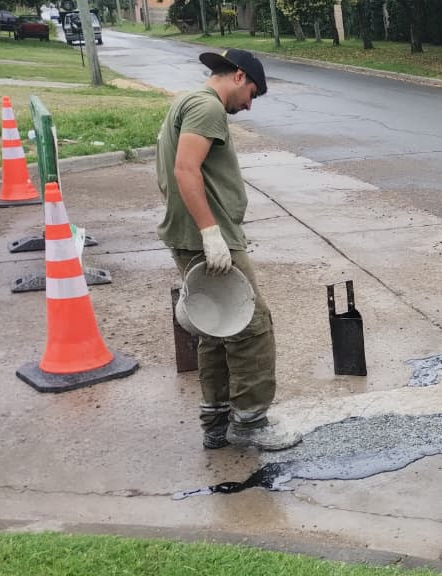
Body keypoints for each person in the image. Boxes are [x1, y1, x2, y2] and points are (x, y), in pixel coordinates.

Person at [156, 49, 301, 451]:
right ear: (238, 76)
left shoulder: (187, 102)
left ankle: (217, 423)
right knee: (253, 326)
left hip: (191, 235)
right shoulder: (207, 108)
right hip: (208, 239)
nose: (249, 105)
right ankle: (251, 422)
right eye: (252, 93)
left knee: (217, 329)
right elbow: (185, 170)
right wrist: (210, 232)